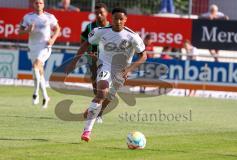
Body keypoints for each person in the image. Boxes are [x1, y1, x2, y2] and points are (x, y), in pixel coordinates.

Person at [66, 8, 147, 142]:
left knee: (109, 97)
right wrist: (74, 61)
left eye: (121, 19)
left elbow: (143, 56)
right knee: (101, 93)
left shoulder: (132, 36)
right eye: (116, 18)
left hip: (121, 70)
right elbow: (87, 43)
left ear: (125, 20)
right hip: (105, 65)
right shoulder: (100, 31)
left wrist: (129, 69)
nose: (118, 21)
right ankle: (87, 131)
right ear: (111, 18)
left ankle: (94, 111)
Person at [19, 0, 60, 108]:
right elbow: (20, 31)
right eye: (36, 3)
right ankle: (46, 97)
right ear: (34, 4)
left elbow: (57, 29)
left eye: (40, 3)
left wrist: (53, 39)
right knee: (38, 71)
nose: (38, 4)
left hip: (45, 46)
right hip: (33, 46)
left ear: (43, 5)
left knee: (35, 65)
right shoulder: (27, 17)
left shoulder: (49, 16)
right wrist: (28, 30)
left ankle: (35, 93)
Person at [80, 3, 110, 124]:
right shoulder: (90, 26)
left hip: (108, 62)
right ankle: (97, 112)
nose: (98, 15)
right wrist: (87, 52)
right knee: (97, 88)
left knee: (108, 91)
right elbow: (83, 40)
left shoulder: (112, 27)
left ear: (106, 13)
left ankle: (98, 112)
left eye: (101, 12)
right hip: (93, 61)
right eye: (96, 13)